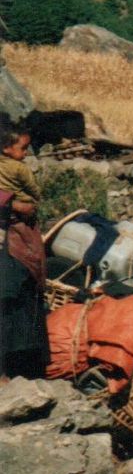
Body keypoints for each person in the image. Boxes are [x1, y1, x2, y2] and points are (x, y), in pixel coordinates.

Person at [0, 124, 49, 381]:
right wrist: (13, 204)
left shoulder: (13, 168)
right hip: (7, 242)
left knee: (25, 301)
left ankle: (26, 369)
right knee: (5, 301)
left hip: (19, 241)